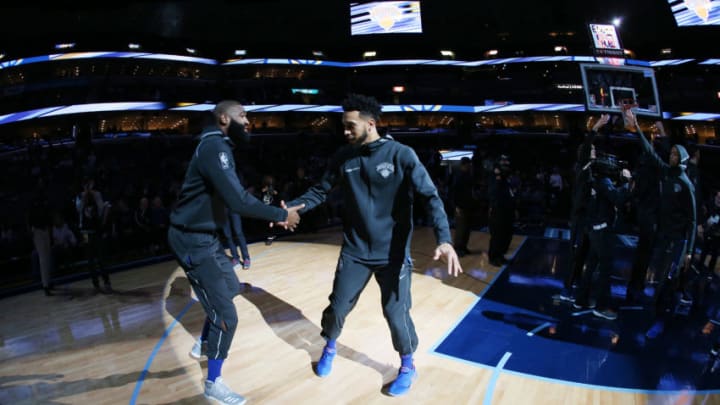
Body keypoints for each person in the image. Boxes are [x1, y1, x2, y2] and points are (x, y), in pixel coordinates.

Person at [284, 93, 462, 396]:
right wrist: (289, 209)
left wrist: (444, 239)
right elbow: (319, 191)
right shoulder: (344, 157)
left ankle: (407, 365)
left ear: (370, 123)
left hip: (392, 255)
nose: (345, 131)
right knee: (338, 306)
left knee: (396, 313)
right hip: (355, 251)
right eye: (343, 126)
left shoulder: (401, 154)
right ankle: (329, 347)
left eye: (350, 126)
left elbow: (431, 197)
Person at [167, 100, 303, 405]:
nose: (249, 122)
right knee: (226, 315)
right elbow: (239, 201)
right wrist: (282, 216)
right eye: (244, 117)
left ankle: (203, 344)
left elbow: (236, 198)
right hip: (192, 240)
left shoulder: (217, 145)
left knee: (229, 287)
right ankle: (213, 383)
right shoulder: (215, 147)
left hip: (205, 237)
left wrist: (268, 209)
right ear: (225, 118)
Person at [627, 110, 697, 339]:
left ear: (683, 159)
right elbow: (649, 150)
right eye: (672, 153)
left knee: (667, 279)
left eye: (676, 154)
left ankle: (661, 318)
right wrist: (637, 127)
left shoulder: (686, 185)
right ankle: (665, 310)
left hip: (678, 240)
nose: (672, 157)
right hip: (664, 236)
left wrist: (688, 251)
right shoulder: (666, 173)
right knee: (661, 277)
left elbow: (693, 220)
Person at [558, 114, 609, 302]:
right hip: (579, 220)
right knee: (575, 256)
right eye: (592, 150)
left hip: (588, 220)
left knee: (584, 255)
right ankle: (567, 289)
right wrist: (596, 127)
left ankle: (578, 283)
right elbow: (588, 145)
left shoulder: (591, 170)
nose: (594, 151)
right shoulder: (581, 168)